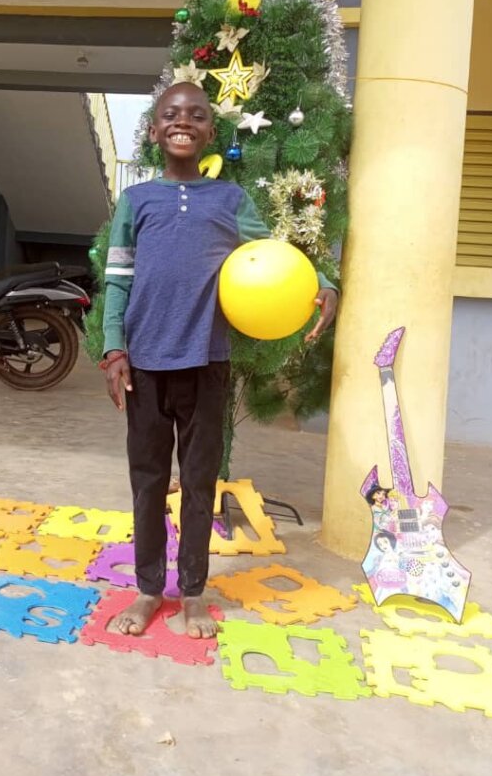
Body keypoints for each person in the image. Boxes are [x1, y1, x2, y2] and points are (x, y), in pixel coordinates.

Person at [100, 81, 338, 638]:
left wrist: (321, 281)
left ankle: (194, 593)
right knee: (148, 481)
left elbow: (272, 255)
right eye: (171, 114)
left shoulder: (230, 201)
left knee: (200, 482)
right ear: (154, 130)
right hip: (145, 366)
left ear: (211, 131)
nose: (183, 122)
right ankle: (148, 589)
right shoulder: (137, 201)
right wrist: (114, 349)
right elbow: (117, 279)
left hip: (207, 364)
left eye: (196, 115)